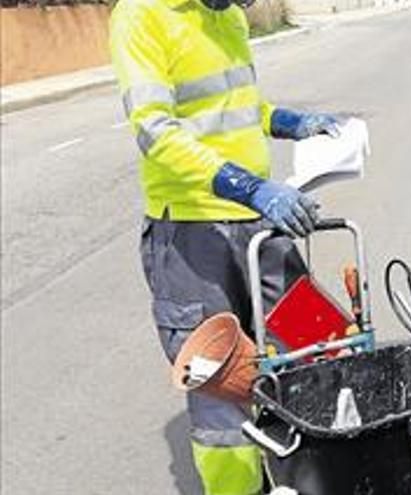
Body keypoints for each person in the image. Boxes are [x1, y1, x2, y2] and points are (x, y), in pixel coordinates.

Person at [109, 0, 340, 492]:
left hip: (257, 221)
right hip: (193, 233)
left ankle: (309, 472)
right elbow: (155, 129)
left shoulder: (227, 15)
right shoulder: (141, 15)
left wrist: (288, 122)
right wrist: (249, 186)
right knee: (220, 385)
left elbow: (234, 109)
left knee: (313, 341)